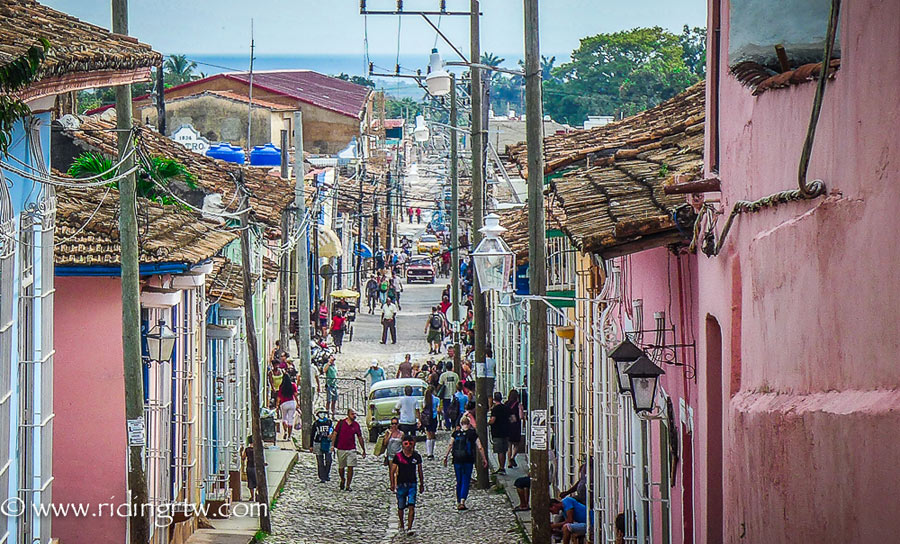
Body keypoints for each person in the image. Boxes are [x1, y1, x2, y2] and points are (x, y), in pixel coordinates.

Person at [443, 416, 486, 511]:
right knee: (466, 480)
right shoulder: (472, 434)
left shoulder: (455, 433)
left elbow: (450, 445)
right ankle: (462, 501)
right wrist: (484, 459)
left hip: (457, 460)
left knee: (459, 480)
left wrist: (445, 456)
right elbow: (480, 447)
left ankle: (458, 501)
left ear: (460, 424)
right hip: (468, 459)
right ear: (469, 424)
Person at [390, 435, 424, 536]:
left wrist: (421, 483)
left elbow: (420, 470)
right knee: (400, 506)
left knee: (411, 505)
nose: (408, 446)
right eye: (406, 444)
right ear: (403, 444)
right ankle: (401, 525)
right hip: (401, 484)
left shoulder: (416, 456)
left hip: (412, 484)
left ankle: (409, 527)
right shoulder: (398, 457)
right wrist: (392, 483)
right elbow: (392, 471)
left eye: (410, 444)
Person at [330, 408, 366, 491]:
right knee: (341, 467)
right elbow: (335, 434)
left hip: (351, 449)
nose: (354, 416)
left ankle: (348, 485)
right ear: (348, 414)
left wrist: (363, 449)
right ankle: (342, 479)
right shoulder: (341, 423)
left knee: (351, 467)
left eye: (355, 414)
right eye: (352, 414)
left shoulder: (356, 425)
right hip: (341, 448)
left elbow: (360, 437)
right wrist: (332, 445)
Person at [488, 391, 510, 474]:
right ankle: (502, 466)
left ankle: (501, 468)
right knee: (504, 450)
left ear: (494, 399)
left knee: (500, 451)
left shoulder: (495, 409)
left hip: (497, 432)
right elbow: (511, 418)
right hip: (506, 431)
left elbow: (493, 420)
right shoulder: (505, 407)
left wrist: (488, 422)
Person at [310, 409, 334, 483]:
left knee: (328, 460)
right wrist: (311, 445)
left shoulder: (329, 422)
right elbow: (312, 434)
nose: (322, 414)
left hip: (328, 442)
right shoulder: (316, 424)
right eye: (320, 413)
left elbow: (333, 432)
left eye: (323, 413)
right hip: (318, 443)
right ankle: (322, 477)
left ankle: (326, 474)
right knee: (320, 461)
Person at [276, 372, 298, 441]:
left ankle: (285, 431)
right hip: (292, 403)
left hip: (284, 403)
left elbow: (279, 397)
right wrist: (298, 403)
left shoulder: (281, 387)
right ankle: (289, 436)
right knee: (290, 419)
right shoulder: (293, 385)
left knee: (284, 418)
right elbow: (295, 395)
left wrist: (277, 405)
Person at [438, 362, 460, 428]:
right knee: (454, 410)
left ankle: (448, 425)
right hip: (454, 395)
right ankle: (454, 424)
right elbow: (458, 385)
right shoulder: (455, 375)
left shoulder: (443, 375)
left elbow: (440, 384)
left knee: (446, 411)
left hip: (446, 396)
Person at [420, 386, 440, 459]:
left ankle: (429, 453)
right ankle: (432, 451)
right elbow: (438, 410)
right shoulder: (437, 399)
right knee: (433, 434)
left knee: (428, 435)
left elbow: (423, 407)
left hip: (427, 418)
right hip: (434, 418)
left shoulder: (425, 399)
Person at [506, 389, 524, 468]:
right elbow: (521, 416)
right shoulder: (518, 405)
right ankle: (513, 457)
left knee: (509, 445)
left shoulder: (506, 404)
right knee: (516, 444)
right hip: (516, 426)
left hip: (508, 425)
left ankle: (509, 462)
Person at [241, 436, 257, 501]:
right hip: (256, 468)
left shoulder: (247, 449)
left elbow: (243, 458)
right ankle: (257, 493)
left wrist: (241, 451)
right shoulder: (257, 449)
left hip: (249, 467)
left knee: (250, 483)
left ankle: (252, 496)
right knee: (258, 482)